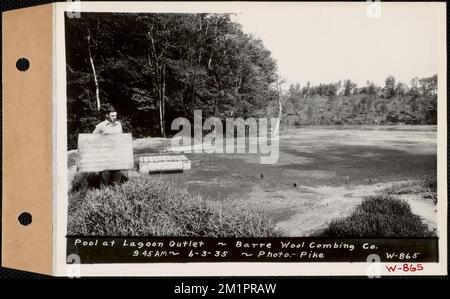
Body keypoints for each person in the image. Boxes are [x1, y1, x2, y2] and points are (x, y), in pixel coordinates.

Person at [93, 107, 123, 187]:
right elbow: (92, 139)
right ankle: (104, 195)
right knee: (105, 175)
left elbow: (121, 138)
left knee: (117, 174)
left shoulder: (118, 125)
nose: (114, 117)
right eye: (112, 116)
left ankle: (115, 193)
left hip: (116, 155)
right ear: (107, 115)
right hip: (104, 155)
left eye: (115, 115)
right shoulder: (101, 126)